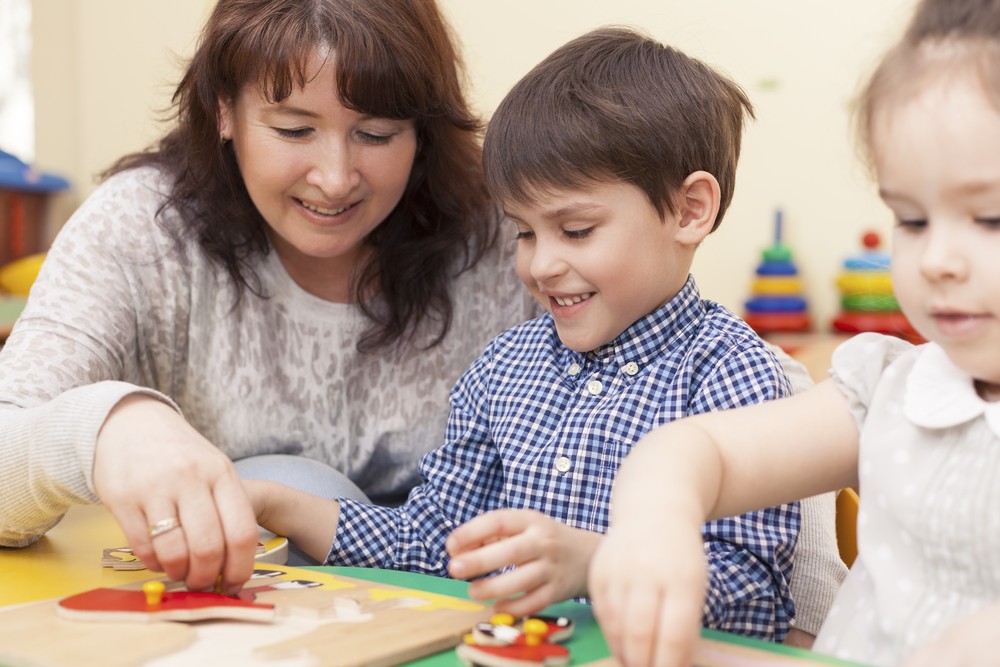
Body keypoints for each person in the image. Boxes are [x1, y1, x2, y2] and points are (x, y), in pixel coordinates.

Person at [246, 26, 805, 642]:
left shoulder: (733, 374)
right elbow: (436, 542)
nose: (539, 266)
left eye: (576, 229)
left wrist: (597, 565)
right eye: (525, 233)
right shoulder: (503, 367)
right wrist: (276, 503)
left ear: (690, 210)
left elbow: (755, 596)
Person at [0, 0, 536, 594]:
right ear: (224, 109)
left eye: (377, 134)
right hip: (243, 635)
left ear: (422, 131)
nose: (335, 178)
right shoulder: (139, 231)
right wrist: (106, 428)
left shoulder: (511, 234)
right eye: (294, 130)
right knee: (287, 479)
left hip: (475, 613)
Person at [588, 1, 1000, 665]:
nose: (936, 260)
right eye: (913, 220)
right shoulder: (888, 390)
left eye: (990, 218)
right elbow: (698, 449)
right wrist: (655, 520)